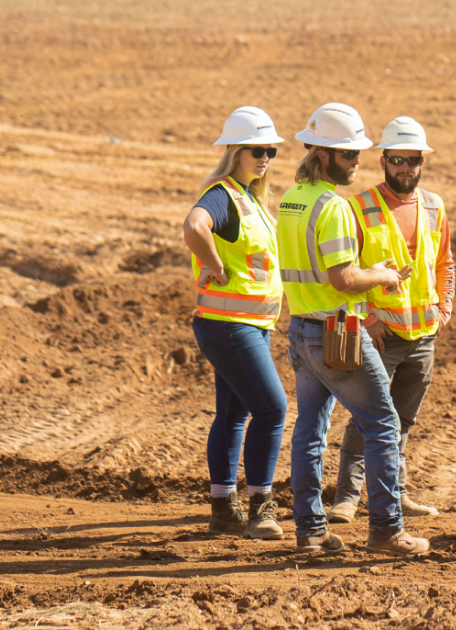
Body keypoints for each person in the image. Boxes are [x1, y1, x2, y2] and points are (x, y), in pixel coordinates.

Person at [278, 102, 432, 556]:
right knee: (383, 423)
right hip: (336, 332)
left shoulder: (291, 200)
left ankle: (310, 531)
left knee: (309, 428)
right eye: (349, 155)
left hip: (301, 329)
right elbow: (343, 278)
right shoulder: (335, 206)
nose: (357, 161)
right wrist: (382, 275)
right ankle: (387, 530)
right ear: (322, 153)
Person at [327, 116, 455, 523]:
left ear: (422, 162)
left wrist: (445, 306)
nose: (406, 167)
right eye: (397, 159)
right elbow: (345, 271)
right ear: (383, 160)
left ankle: (396, 496)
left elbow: (444, 263)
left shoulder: (434, 206)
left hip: (423, 335)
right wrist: (366, 320)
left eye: (413, 160)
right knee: (367, 415)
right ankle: (347, 497)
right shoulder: (357, 207)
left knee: (402, 421)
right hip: (381, 335)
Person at [181, 106, 288, 540]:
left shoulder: (253, 200)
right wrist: (213, 264)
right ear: (234, 152)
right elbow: (193, 225)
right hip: (229, 325)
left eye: (271, 150)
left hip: (243, 325)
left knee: (234, 413)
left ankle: (224, 507)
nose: (264, 157)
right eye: (256, 150)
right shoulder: (224, 195)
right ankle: (262, 506)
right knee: (272, 408)